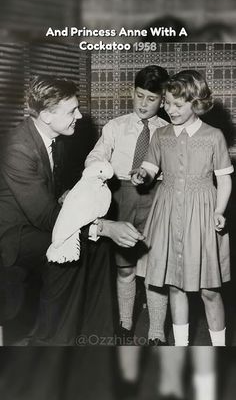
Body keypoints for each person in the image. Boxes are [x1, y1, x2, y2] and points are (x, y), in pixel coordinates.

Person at [0, 75, 143, 346]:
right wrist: (104, 226)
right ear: (46, 115)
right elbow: (46, 217)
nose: (79, 115)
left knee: (97, 246)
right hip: (13, 236)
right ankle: (50, 346)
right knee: (72, 251)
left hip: (37, 222)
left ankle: (94, 340)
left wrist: (69, 195)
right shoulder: (18, 147)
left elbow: (56, 193)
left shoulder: (57, 138)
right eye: (71, 111)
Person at [132, 70, 233, 346]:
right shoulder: (161, 134)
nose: (169, 109)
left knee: (209, 290)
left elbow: (224, 180)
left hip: (201, 214)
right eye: (166, 102)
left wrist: (219, 211)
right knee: (175, 285)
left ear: (196, 103)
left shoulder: (214, 136)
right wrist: (143, 174)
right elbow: (151, 168)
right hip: (167, 211)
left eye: (178, 104)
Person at [85, 65, 170, 343]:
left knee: (157, 267)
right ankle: (125, 323)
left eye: (152, 98)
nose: (144, 104)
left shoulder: (168, 130)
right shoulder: (115, 126)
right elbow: (95, 157)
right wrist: (101, 170)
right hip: (121, 196)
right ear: (132, 92)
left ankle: (156, 331)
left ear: (163, 98)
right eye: (139, 95)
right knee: (125, 267)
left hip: (157, 197)